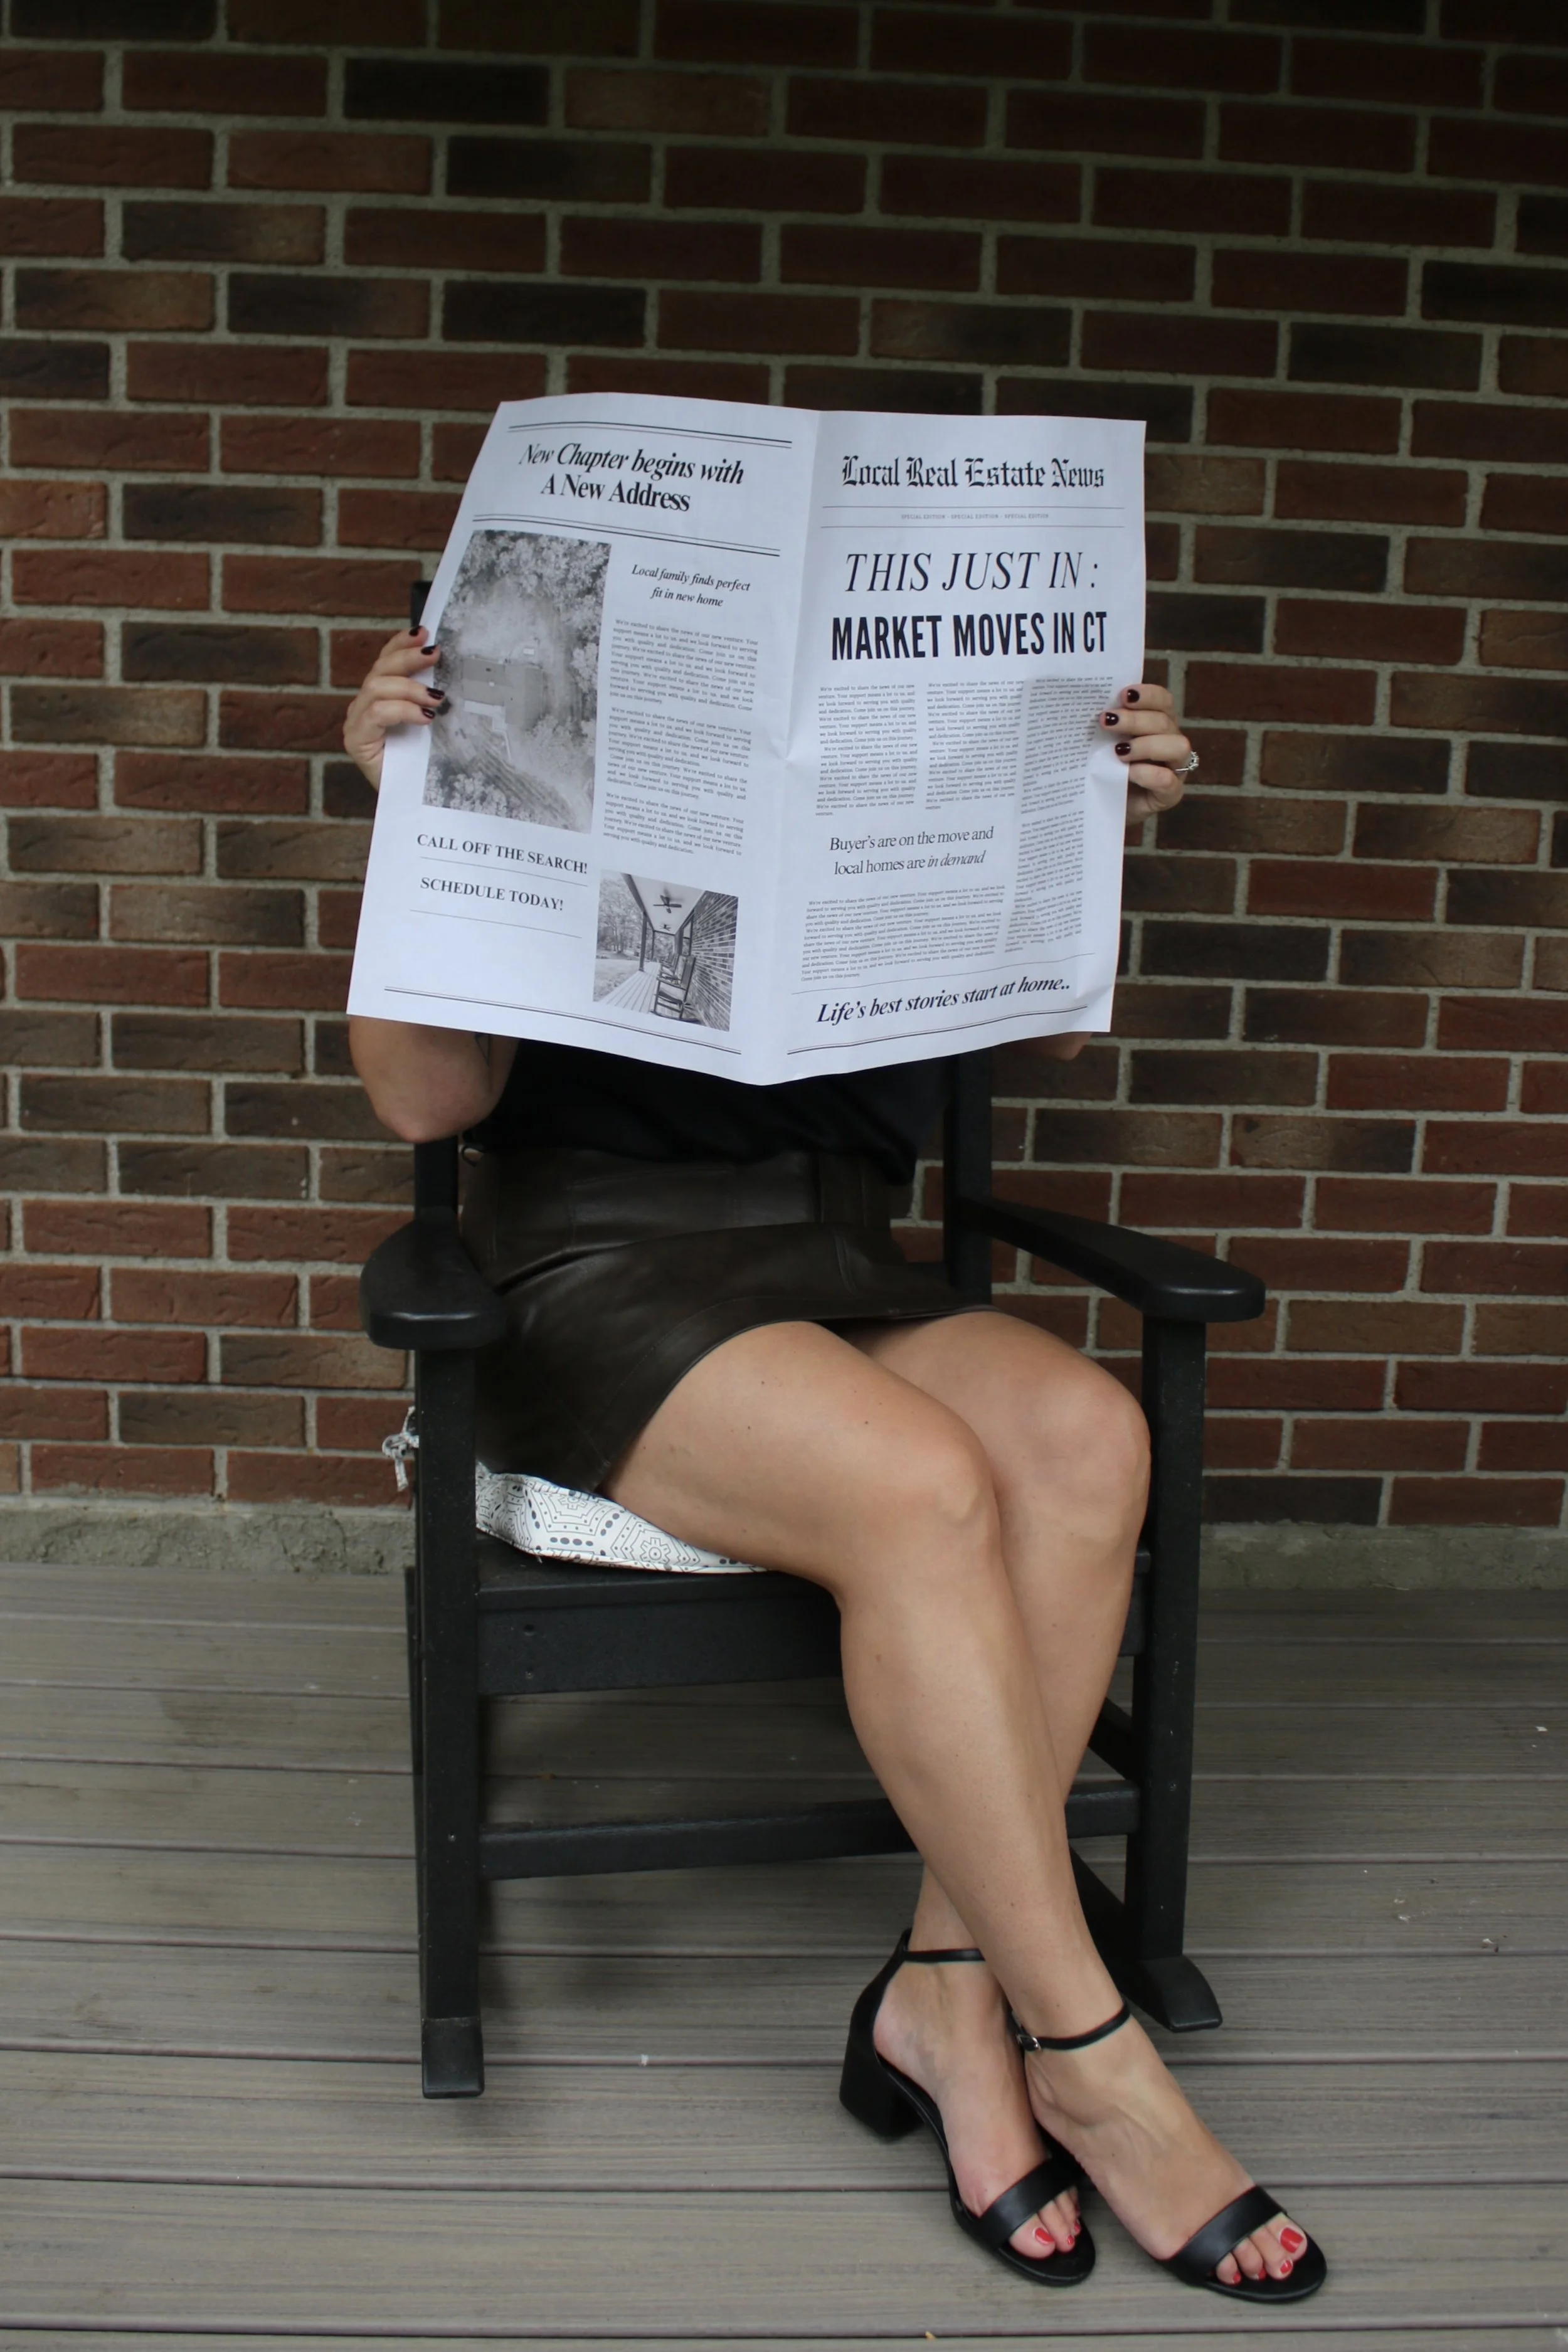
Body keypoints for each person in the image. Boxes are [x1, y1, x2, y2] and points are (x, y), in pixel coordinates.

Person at [345, 629, 1325, 2306]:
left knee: (1090, 1439)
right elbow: (429, 1104)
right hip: (592, 1275)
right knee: (925, 1484)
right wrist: (415, 814)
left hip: (837, 1258)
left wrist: (1086, 817)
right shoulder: (524, 753)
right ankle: (1087, 2052)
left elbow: (1039, 1043)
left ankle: (945, 1987)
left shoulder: (861, 776)